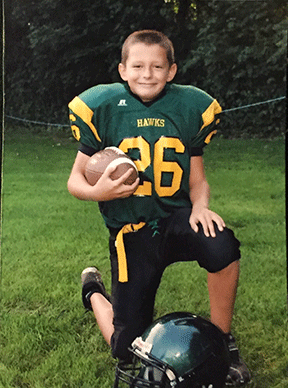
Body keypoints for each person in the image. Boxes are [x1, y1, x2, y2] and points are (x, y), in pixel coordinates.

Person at [67, 30, 251, 386]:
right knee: (127, 347)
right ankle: (93, 292)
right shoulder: (103, 107)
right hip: (132, 231)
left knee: (222, 245)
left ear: (172, 71)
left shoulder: (188, 107)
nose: (146, 74)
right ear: (122, 70)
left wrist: (201, 207)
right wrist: (98, 190)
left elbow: (197, 179)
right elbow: (75, 180)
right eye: (137, 65)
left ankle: (221, 344)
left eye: (156, 66)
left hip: (176, 218)